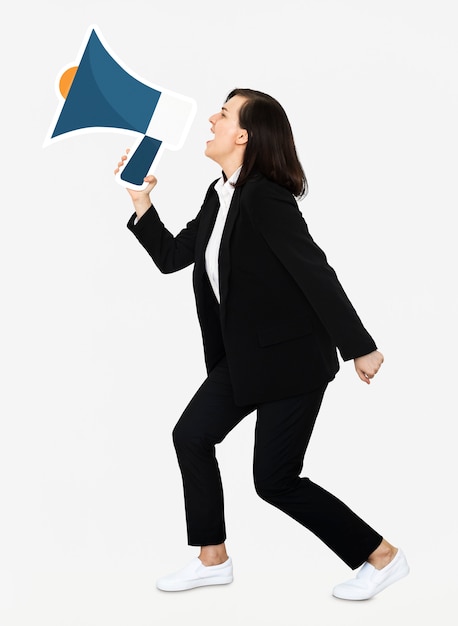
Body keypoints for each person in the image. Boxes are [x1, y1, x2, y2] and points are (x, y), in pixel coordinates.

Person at [115, 88, 409, 600]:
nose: (211, 118)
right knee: (191, 436)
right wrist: (142, 202)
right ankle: (212, 558)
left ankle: (382, 557)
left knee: (274, 480)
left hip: (293, 363)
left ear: (243, 135)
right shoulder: (219, 194)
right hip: (246, 358)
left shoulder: (265, 195)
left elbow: (314, 271)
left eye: (223, 114)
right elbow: (173, 256)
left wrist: (359, 346)